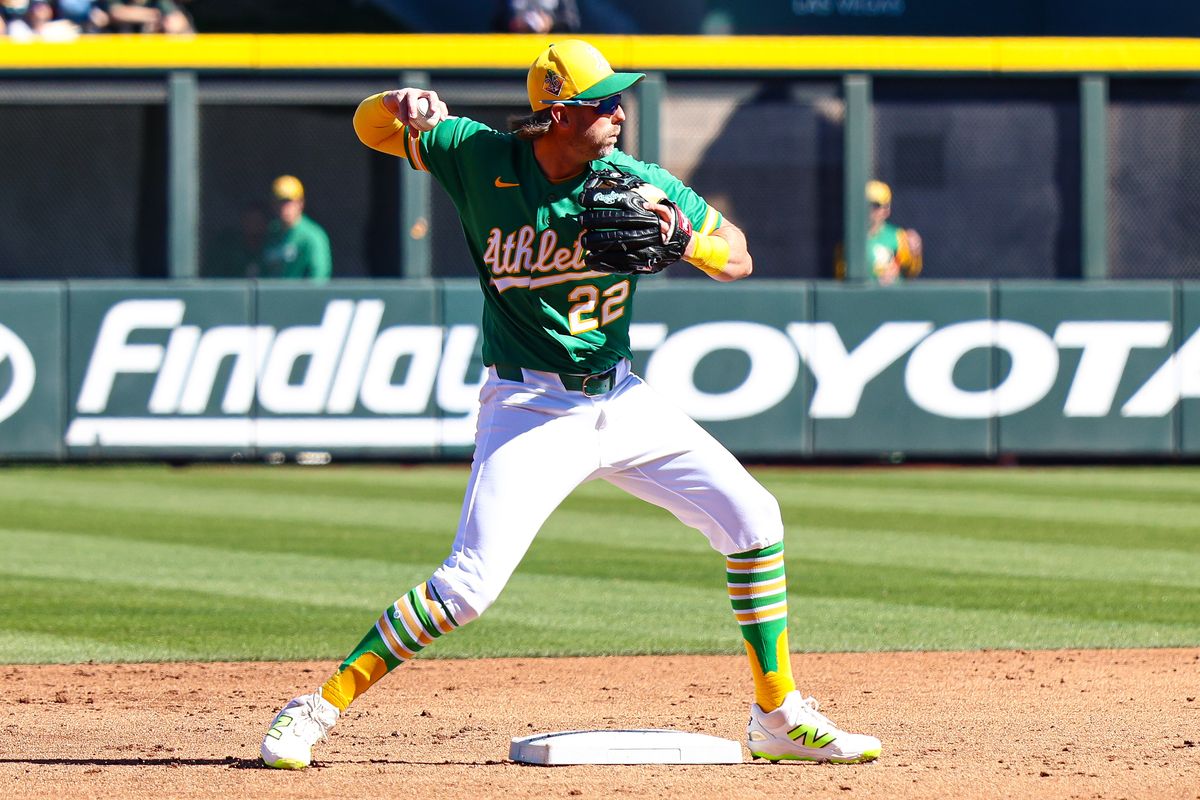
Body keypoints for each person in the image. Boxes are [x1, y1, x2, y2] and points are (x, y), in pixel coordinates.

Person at [259, 38, 880, 770]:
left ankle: (776, 713)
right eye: (602, 104)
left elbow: (738, 254)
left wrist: (684, 238)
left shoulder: (633, 181)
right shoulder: (474, 154)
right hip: (529, 405)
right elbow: (371, 128)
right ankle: (316, 708)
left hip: (620, 397)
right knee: (467, 588)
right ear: (557, 114)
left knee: (755, 518)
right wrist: (400, 106)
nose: (618, 114)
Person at [836, 180, 923, 285]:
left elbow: (911, 272)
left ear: (886, 210)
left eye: (875, 205)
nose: (869, 209)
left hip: (891, 299)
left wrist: (915, 253)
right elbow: (841, 280)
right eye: (865, 204)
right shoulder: (849, 241)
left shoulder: (897, 236)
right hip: (861, 300)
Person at [259, 175, 332, 281]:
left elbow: (319, 276)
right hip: (272, 295)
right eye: (280, 202)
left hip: (299, 295)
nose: (284, 207)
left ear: (300, 203)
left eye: (289, 202)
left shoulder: (312, 235)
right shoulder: (271, 232)